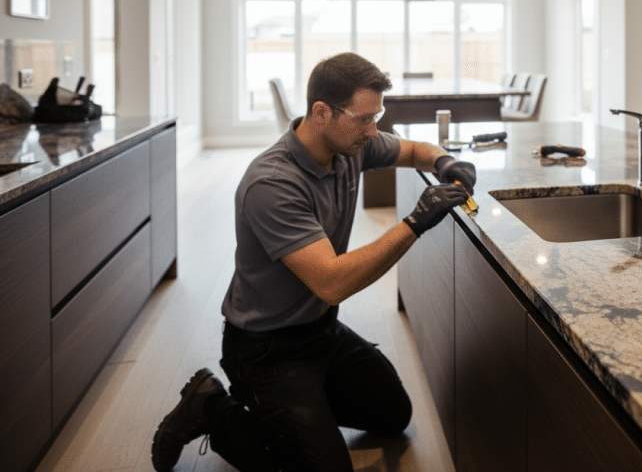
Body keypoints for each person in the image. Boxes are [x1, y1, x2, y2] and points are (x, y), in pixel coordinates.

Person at [151, 52, 475, 471]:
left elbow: (413, 149)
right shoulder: (272, 183)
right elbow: (332, 283)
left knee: (394, 416)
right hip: (266, 348)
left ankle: (303, 408)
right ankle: (211, 406)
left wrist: (444, 161)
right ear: (321, 112)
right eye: (363, 118)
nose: (373, 130)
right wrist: (415, 222)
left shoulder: (350, 144)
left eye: (376, 117)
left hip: (321, 332)